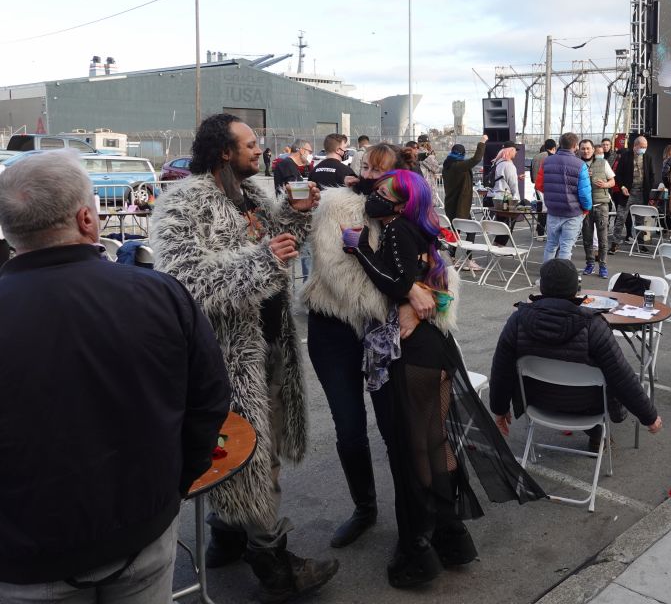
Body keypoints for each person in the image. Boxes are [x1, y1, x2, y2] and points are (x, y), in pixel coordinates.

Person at [0, 151, 230, 603]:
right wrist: (175, 485)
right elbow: (209, 401)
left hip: (26, 556)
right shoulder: (159, 293)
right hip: (141, 533)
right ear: (88, 218)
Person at [151, 114, 339, 601]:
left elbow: (280, 240)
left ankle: (227, 536)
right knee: (253, 453)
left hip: (271, 344)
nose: (260, 150)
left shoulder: (254, 194)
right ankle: (271, 559)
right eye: (250, 144)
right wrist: (261, 260)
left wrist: (298, 215)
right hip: (227, 358)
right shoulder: (184, 203)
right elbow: (184, 280)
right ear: (223, 152)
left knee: (250, 447)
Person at [343, 170, 545, 587]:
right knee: (436, 443)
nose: (375, 197)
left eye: (384, 193)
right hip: (435, 349)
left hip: (415, 356)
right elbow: (425, 286)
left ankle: (420, 547)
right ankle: (449, 533)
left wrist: (359, 249)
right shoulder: (418, 231)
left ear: (401, 205)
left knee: (414, 450)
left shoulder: (397, 231)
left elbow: (396, 284)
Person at [304, 144, 439, 552]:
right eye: (365, 167)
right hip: (334, 327)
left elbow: (440, 270)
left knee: (396, 430)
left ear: (398, 178)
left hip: (387, 332)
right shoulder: (336, 205)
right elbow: (337, 272)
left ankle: (411, 520)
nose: (369, 177)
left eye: (380, 172)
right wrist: (405, 288)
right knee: (349, 430)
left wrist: (422, 291)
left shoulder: (411, 211)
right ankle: (365, 508)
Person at [489, 258, 663, 453]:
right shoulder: (593, 325)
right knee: (608, 374)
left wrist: (499, 409)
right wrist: (649, 416)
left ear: (542, 288)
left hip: (537, 401)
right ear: (576, 289)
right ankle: (597, 434)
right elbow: (621, 375)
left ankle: (596, 434)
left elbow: (501, 369)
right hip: (587, 406)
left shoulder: (517, 320)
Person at [535, 132, 592, 262]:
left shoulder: (547, 161)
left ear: (560, 144)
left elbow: (539, 185)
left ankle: (546, 277)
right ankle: (562, 279)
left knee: (551, 245)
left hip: (553, 210)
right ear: (576, 146)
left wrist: (551, 193)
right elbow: (584, 193)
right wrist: (586, 208)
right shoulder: (580, 165)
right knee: (566, 248)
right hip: (573, 212)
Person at [611, 135, 655, 254]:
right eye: (642, 147)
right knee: (621, 218)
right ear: (635, 146)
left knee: (640, 220)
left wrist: (648, 189)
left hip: (642, 193)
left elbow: (651, 175)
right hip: (627, 193)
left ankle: (640, 244)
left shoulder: (648, 157)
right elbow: (618, 174)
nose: (644, 149)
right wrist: (622, 187)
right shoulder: (625, 157)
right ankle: (615, 243)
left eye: (645, 147)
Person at [579, 138, 615, 278]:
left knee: (602, 238)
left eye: (588, 148)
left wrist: (605, 185)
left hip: (601, 205)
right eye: (583, 148)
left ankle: (603, 266)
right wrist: (581, 177)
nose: (586, 151)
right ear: (579, 150)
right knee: (587, 238)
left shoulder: (603, 162)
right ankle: (589, 264)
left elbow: (613, 181)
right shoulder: (577, 164)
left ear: (593, 150)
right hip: (584, 207)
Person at [441, 136, 487, 222]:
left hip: (451, 203)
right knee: (463, 229)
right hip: (459, 204)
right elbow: (476, 159)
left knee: (457, 230)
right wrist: (482, 142)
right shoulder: (458, 166)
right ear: (462, 154)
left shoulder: (447, 166)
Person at [530, 139, 557, 236]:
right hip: (548, 187)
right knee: (548, 210)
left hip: (537, 187)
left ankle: (540, 232)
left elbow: (531, 175)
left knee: (540, 209)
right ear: (554, 148)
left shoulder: (535, 157)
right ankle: (545, 232)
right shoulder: (553, 158)